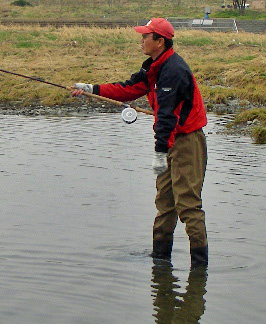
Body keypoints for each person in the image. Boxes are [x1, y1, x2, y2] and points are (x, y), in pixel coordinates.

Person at [72, 17, 208, 270]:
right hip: (170, 141)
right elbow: (129, 88)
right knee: (165, 205)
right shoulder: (154, 67)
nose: (141, 40)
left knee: (188, 206)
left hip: (187, 142)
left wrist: (159, 152)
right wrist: (91, 88)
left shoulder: (173, 71)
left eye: (146, 36)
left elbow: (167, 116)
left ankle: (199, 271)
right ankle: (160, 265)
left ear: (160, 41)